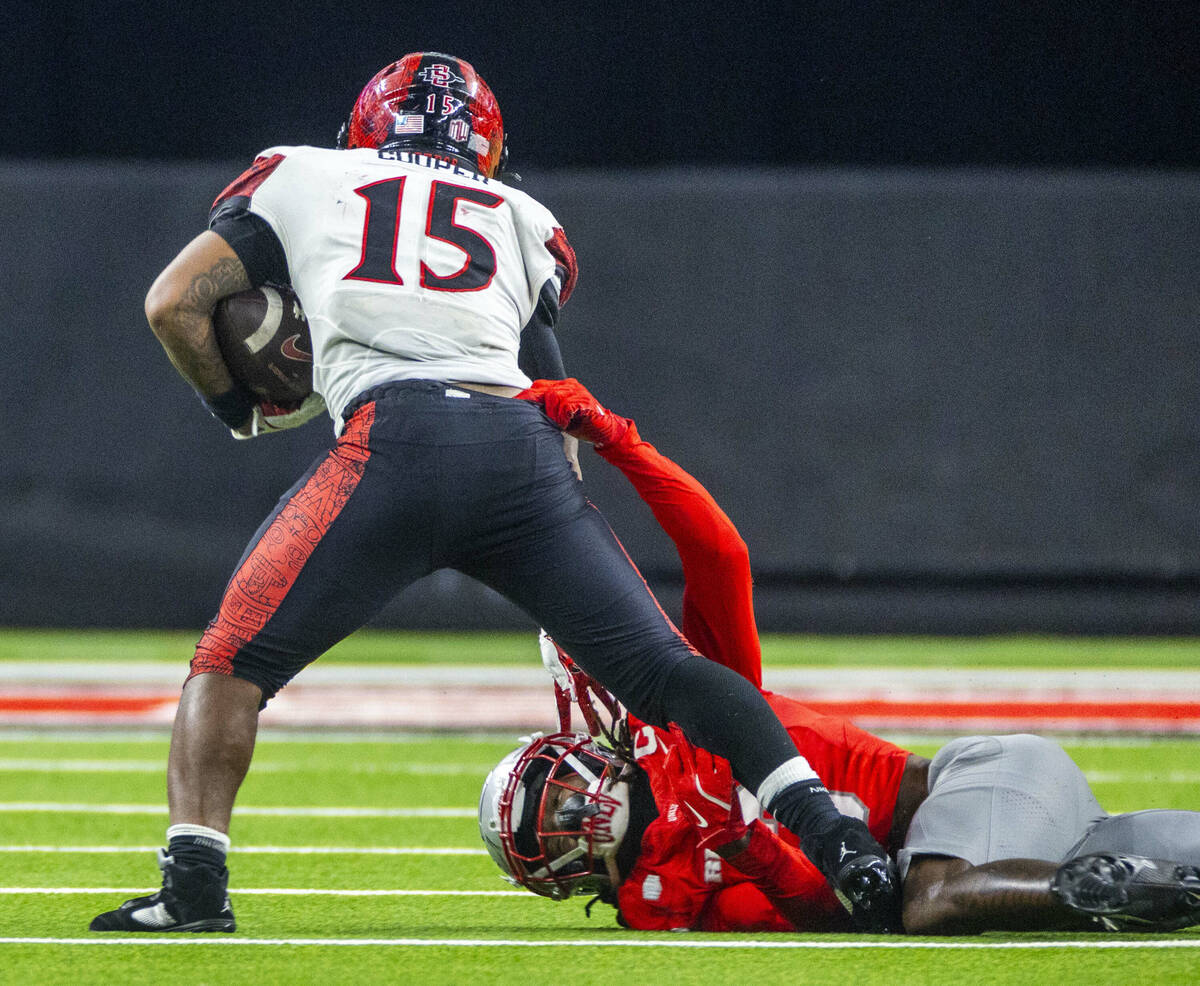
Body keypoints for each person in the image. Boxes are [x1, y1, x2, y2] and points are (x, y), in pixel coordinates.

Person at [90, 53, 897, 933]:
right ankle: (837, 840)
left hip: (389, 447)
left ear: (365, 127)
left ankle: (194, 891)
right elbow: (552, 401)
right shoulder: (521, 215)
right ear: (486, 143)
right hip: (520, 460)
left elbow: (173, 304)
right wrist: (567, 549)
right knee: (672, 675)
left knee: (231, 666)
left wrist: (247, 410)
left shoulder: (300, 174)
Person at [478, 377, 1200, 934]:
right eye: (554, 820)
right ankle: (1115, 882)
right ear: (556, 875)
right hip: (1017, 836)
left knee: (931, 904)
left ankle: (1087, 897)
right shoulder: (656, 903)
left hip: (974, 787)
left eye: (559, 791)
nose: (574, 810)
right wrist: (742, 843)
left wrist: (621, 445)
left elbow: (719, 557)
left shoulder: (691, 715)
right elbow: (833, 911)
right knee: (1142, 864)